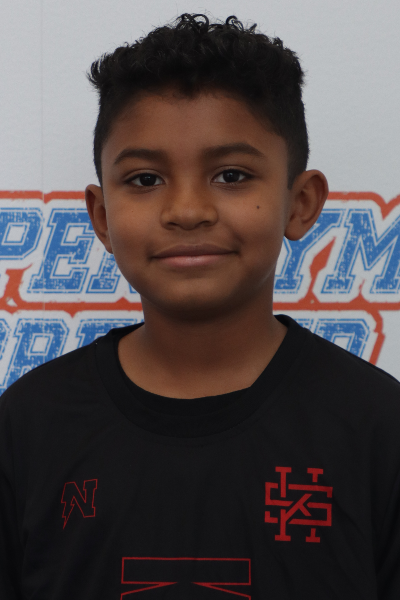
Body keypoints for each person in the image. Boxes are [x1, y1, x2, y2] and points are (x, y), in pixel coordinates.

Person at [1, 13, 399, 599]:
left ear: (300, 202)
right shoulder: (28, 426)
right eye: (144, 180)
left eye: (231, 175)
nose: (187, 211)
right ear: (102, 217)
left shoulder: (378, 428)